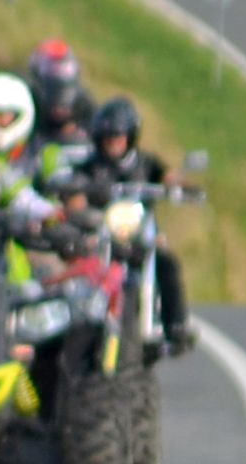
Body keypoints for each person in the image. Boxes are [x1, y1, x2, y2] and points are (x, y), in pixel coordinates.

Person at [81, 95, 195, 348]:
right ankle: (80, 322)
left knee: (166, 262)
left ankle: (175, 325)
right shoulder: (90, 167)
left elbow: (168, 176)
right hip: (104, 232)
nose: (113, 144)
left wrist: (181, 187)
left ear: (130, 136)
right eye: (108, 138)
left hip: (141, 231)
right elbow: (74, 189)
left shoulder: (145, 162)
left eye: (118, 138)